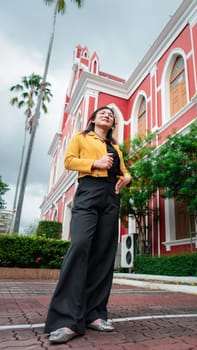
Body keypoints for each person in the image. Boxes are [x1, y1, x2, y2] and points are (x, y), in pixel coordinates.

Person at [44, 106, 132, 344]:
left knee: (104, 255)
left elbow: (124, 172)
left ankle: (94, 314)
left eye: (111, 115)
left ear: (113, 123)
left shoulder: (116, 148)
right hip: (88, 192)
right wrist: (96, 163)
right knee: (80, 246)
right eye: (102, 113)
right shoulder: (81, 137)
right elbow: (69, 161)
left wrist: (127, 178)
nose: (107, 115)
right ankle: (65, 319)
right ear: (93, 119)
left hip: (110, 198)